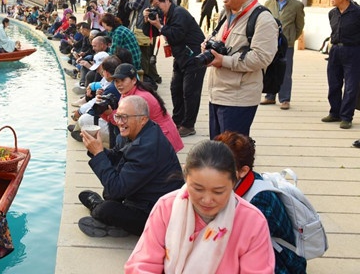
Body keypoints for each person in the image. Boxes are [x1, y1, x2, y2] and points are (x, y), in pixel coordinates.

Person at [125, 140, 275, 273]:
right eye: (198, 189)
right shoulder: (166, 208)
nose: (207, 200)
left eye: (218, 191)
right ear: (185, 175)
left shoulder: (252, 221)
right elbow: (143, 264)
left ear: (234, 180)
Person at [77, 95, 184, 237]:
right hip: (142, 194)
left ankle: (97, 208)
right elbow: (117, 156)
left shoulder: (147, 147)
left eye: (125, 117)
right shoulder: (139, 131)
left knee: (107, 208)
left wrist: (98, 154)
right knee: (109, 194)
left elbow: (116, 189)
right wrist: (98, 150)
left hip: (158, 213)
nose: (120, 122)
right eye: (118, 116)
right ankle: (117, 221)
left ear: (143, 119)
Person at [215, 131, 307, 273]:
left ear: (243, 171)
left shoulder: (259, 201)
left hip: (280, 263)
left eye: (222, 169)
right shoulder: (243, 182)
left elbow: (239, 245)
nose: (213, 171)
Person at [206, 0, 278, 138]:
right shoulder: (226, 14)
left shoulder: (263, 19)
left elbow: (261, 57)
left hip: (238, 98)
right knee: (217, 153)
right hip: (217, 94)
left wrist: (224, 61)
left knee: (233, 155)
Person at [144, 0, 206, 137]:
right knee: (175, 89)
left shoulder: (179, 13)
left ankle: (188, 125)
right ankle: (177, 121)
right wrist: (147, 19)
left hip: (194, 57)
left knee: (190, 92)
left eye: (158, 5)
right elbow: (149, 32)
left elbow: (177, 34)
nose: (157, 9)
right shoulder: (165, 16)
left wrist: (160, 25)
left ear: (167, 0)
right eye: (154, 6)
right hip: (181, 57)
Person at [104, 63, 183, 153]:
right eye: (116, 81)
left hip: (163, 138)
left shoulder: (140, 98)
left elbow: (127, 123)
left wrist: (110, 113)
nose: (119, 84)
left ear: (134, 80)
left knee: (121, 140)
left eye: (122, 80)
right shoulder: (128, 92)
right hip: (152, 134)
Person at [261, 0, 305, 110]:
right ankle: (270, 96)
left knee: (285, 71)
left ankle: (285, 99)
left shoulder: (297, 5)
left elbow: (299, 26)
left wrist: (290, 38)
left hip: (287, 45)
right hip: (270, 42)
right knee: (269, 68)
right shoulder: (268, 3)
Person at [321, 0, 360, 129]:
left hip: (353, 51)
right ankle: (334, 112)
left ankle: (346, 117)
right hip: (335, 51)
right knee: (334, 83)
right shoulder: (332, 13)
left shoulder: (357, 13)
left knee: (351, 85)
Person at [129, 0, 161, 84]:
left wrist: (130, 0)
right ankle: (153, 76)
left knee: (143, 53)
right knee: (149, 53)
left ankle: (145, 77)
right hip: (152, 25)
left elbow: (135, 5)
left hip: (143, 26)